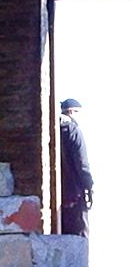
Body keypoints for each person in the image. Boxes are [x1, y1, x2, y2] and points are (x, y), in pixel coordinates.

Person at [60, 98, 93, 238]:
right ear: (72, 112)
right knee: (79, 237)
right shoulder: (73, 130)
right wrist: (89, 186)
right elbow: (81, 162)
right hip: (75, 193)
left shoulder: (55, 130)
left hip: (60, 196)